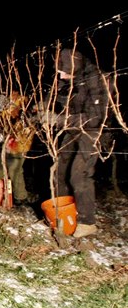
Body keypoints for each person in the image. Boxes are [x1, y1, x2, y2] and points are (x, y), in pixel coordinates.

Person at [54, 48, 112, 238]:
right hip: (72, 129)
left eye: (63, 71)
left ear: (73, 65)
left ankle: (87, 222)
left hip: (92, 132)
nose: (61, 76)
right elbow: (62, 101)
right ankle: (62, 214)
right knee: (59, 171)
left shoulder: (97, 79)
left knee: (79, 175)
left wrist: (59, 120)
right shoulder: (73, 78)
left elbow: (94, 118)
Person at [0, 91, 38, 206]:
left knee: (15, 170)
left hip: (20, 144)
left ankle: (21, 198)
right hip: (6, 143)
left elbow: (26, 127)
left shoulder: (24, 104)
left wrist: (13, 141)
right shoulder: (1, 104)